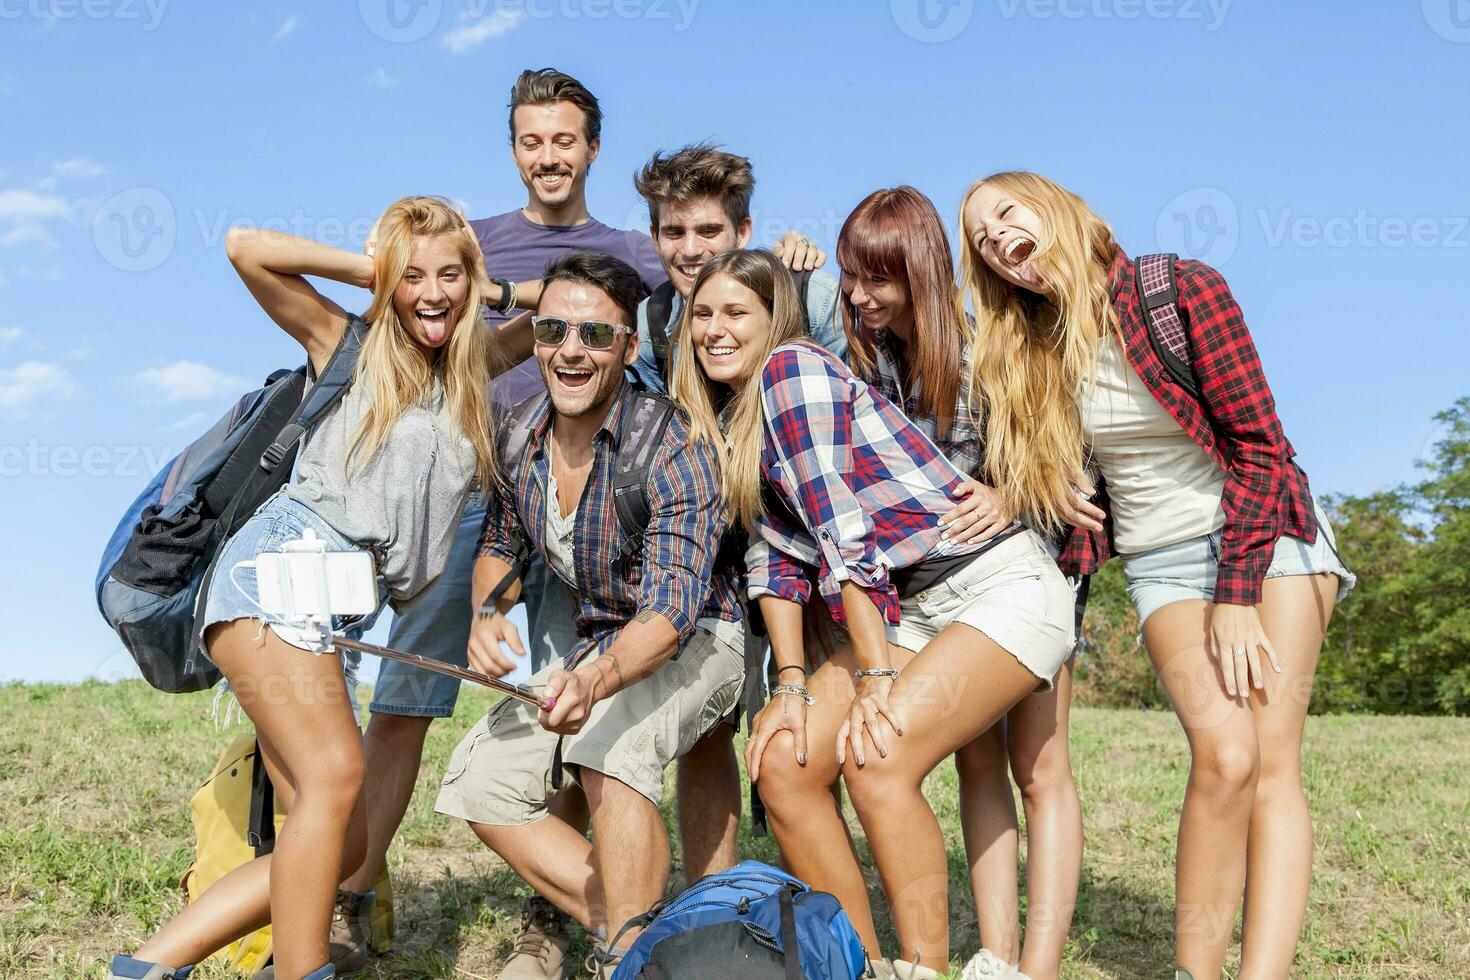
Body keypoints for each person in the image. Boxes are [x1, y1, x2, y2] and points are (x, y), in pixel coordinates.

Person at [957, 171, 1355, 980]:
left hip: (1270, 536)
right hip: (1163, 559)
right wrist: (1044, 487)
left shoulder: (1175, 290)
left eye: (1006, 214)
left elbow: (1261, 448)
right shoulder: (1031, 348)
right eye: (982, 240)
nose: (998, 240)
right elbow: (1067, 487)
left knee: (1273, 764)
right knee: (1225, 756)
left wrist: (1237, 593)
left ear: (1056, 205)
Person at [109, 197, 497, 980]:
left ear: (472, 281)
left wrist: (513, 299)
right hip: (276, 578)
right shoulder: (346, 342)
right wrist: (380, 274)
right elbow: (246, 245)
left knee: (338, 840)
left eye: (449, 275)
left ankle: (147, 968)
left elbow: (570, 324)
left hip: (330, 612)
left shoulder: (467, 371)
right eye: (413, 275)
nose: (432, 293)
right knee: (335, 779)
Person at [670, 249, 1076, 979]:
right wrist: (791, 686)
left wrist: (877, 675)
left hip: (996, 584)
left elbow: (841, 535)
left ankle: (921, 969)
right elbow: (773, 562)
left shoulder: (791, 373)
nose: (714, 330)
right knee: (784, 764)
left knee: (877, 756)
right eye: (702, 314)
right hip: (910, 606)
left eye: (736, 313)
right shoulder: (735, 416)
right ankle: (856, 965)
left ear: (775, 322)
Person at [341, 68, 668, 975]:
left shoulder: (634, 255)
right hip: (473, 492)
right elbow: (399, 325)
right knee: (405, 699)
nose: (549, 156)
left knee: (568, 698)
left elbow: (723, 286)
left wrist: (790, 248)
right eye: (532, 140)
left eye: (565, 140)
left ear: (592, 147)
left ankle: (548, 916)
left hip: (588, 502)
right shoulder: (471, 247)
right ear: (514, 146)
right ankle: (351, 898)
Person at [434, 251, 745, 980]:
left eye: (596, 336)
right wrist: (488, 611)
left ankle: (623, 960)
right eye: (553, 330)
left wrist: (598, 680)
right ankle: (644, 944)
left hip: (702, 637)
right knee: (479, 782)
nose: (571, 350)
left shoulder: (675, 445)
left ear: (627, 349)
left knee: (607, 749)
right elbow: (500, 541)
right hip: (603, 642)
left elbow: (672, 607)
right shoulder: (517, 434)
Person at [835, 186, 1082, 980]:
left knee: (1039, 770)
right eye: (849, 277)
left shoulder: (986, 352)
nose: (860, 296)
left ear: (921, 271)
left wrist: (1014, 492)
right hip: (928, 597)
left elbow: (1065, 467)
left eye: (878, 279)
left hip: (1025, 572)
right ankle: (995, 955)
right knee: (976, 765)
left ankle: (1032, 965)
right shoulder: (864, 367)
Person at [627, 141, 846, 395]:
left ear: (742, 232)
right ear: (654, 237)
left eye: (708, 231)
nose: (690, 250)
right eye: (674, 233)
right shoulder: (648, 325)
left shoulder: (815, 302)